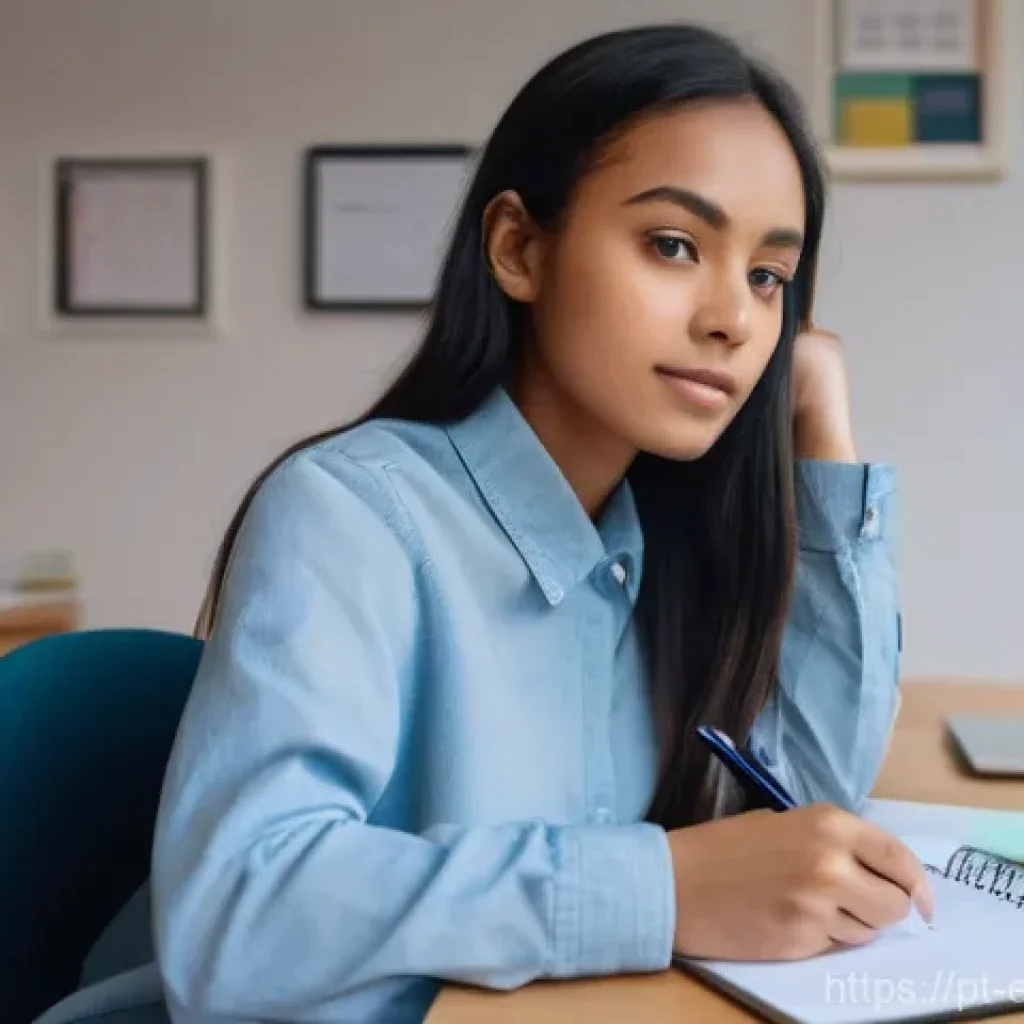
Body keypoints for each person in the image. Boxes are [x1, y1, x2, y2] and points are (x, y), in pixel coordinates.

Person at [35, 21, 931, 1024]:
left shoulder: (644, 539)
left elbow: (799, 807)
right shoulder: (351, 515)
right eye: (673, 245)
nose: (733, 317)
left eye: (768, 276)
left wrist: (824, 430)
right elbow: (238, 916)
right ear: (517, 247)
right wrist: (659, 888)